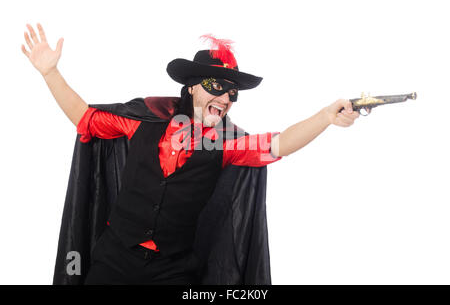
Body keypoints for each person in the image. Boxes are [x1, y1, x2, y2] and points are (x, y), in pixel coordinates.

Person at [21, 23, 359, 285]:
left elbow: (278, 144)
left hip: (171, 271)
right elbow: (85, 117)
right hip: (114, 260)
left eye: (232, 94)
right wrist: (50, 72)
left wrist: (326, 117)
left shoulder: (225, 144)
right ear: (192, 86)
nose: (226, 99)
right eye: (217, 88)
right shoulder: (143, 121)